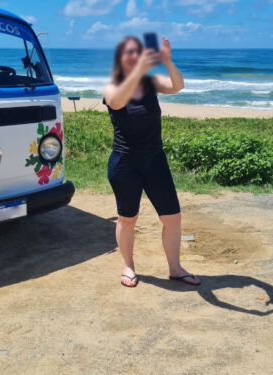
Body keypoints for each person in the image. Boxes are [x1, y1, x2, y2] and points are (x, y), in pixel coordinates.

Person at [102, 35, 201, 288]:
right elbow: (117, 102)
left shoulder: (151, 82)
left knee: (172, 218)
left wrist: (167, 62)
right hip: (125, 163)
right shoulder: (112, 86)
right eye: (130, 53)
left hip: (155, 161)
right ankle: (128, 266)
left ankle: (175, 269)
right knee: (127, 219)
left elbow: (178, 86)